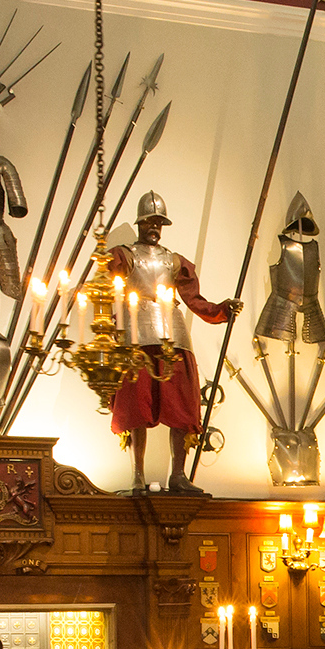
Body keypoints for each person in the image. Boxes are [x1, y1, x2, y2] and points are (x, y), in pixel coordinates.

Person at [106, 191, 239, 492]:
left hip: (174, 336)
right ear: (141, 223)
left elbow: (193, 299)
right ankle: (137, 474)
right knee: (136, 406)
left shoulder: (174, 261)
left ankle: (178, 474)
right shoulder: (124, 255)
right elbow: (107, 292)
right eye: (149, 222)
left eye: (159, 222)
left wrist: (221, 310)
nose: (154, 227)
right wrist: (111, 335)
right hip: (136, 336)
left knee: (182, 405)